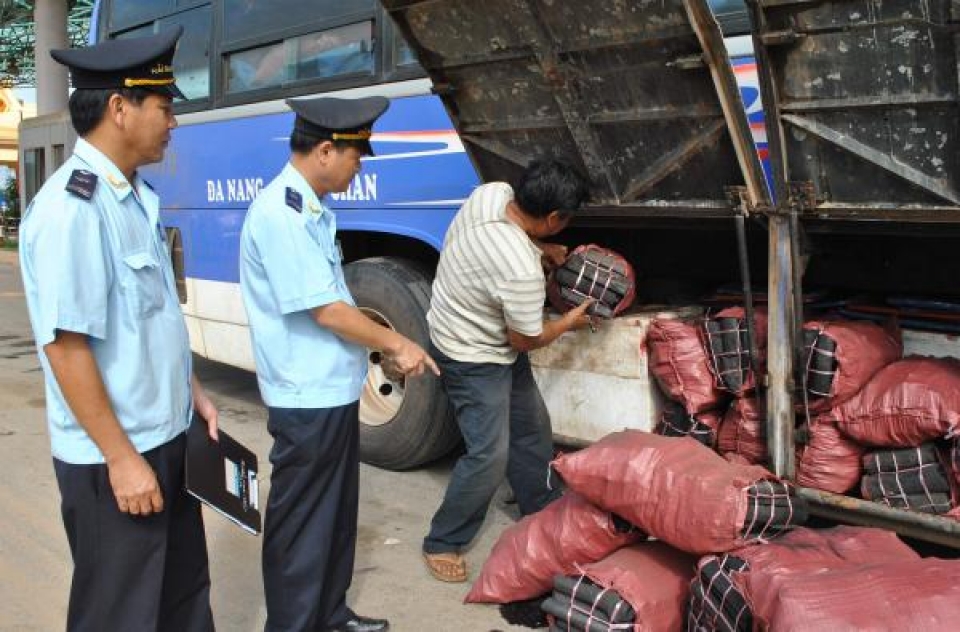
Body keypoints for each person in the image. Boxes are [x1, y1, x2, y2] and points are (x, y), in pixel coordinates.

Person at [18, 27, 218, 631]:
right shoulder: (70, 211)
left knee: (183, 599)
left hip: (165, 436)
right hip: (116, 456)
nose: (173, 122)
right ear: (119, 108)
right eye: (164, 107)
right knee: (121, 613)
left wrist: (193, 393)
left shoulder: (134, 197)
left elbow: (149, 320)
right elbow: (67, 347)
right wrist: (121, 458)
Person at [239, 95, 438, 632]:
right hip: (304, 398)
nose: (358, 168)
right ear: (326, 150)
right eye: (355, 156)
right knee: (302, 525)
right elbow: (327, 310)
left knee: (333, 517)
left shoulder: (311, 209)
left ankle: (329, 615)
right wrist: (397, 344)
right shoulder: (281, 214)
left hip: (330, 391)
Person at [421, 158, 594, 582]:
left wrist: (541, 250)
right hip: (470, 353)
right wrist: (570, 322)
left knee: (532, 425)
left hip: (478, 331)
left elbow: (508, 246)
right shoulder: (519, 270)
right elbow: (526, 340)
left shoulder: (492, 193)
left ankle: (539, 505)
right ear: (553, 218)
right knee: (488, 455)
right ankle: (442, 540)